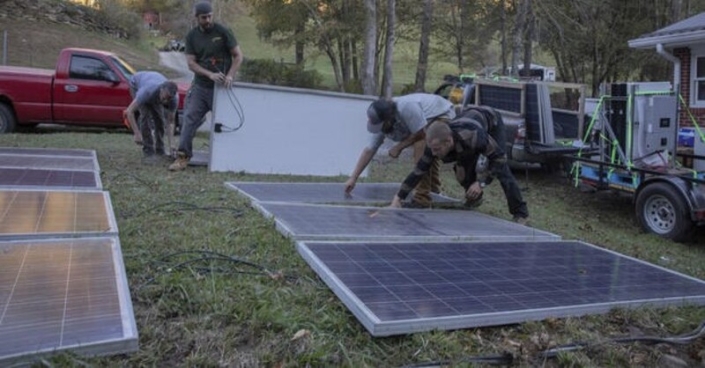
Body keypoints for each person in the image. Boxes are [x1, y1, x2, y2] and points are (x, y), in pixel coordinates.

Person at [389, 119, 529, 224]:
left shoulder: (475, 137)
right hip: (464, 137)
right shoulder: (435, 144)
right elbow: (419, 171)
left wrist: (481, 183)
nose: (434, 153)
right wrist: (398, 198)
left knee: (503, 172)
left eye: (437, 150)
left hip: (491, 124)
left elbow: (499, 159)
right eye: (432, 149)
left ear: (448, 142)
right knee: (461, 172)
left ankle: (520, 213)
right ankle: (474, 199)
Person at [169, 1, 244, 171]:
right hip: (201, 88)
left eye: (210, 16)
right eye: (204, 17)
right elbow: (190, 63)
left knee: (226, 123)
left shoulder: (223, 32)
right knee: (188, 120)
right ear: (197, 18)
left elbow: (238, 56)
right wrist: (209, 74)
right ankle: (182, 157)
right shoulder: (192, 37)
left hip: (222, 90)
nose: (208, 20)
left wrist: (230, 75)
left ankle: (231, 159)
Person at [344, 93, 456, 207]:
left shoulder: (406, 107)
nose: (381, 129)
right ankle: (433, 192)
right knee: (428, 152)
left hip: (441, 113)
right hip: (424, 124)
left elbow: (421, 133)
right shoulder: (381, 122)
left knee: (421, 144)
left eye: (382, 125)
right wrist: (353, 178)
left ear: (388, 119)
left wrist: (399, 147)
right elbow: (369, 150)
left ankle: (421, 199)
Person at [125, 71, 178, 163]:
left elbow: (170, 122)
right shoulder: (146, 91)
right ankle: (148, 151)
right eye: (165, 98)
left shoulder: (174, 99)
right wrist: (137, 133)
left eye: (169, 99)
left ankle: (160, 150)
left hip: (153, 82)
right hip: (137, 83)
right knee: (145, 116)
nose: (166, 101)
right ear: (161, 90)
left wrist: (172, 145)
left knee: (160, 119)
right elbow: (129, 111)